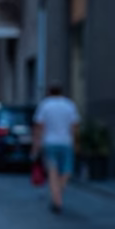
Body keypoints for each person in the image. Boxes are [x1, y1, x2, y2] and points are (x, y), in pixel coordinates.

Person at [32, 83, 80, 214]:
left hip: (50, 143)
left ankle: (56, 198)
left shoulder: (45, 105)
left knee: (52, 172)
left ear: (49, 92)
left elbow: (39, 127)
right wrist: (76, 143)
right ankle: (58, 197)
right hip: (66, 143)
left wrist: (36, 145)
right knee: (66, 171)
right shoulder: (70, 105)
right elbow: (74, 127)